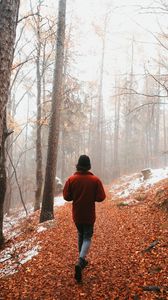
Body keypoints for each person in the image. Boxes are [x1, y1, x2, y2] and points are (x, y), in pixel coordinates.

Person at [63, 155, 106, 283]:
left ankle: (80, 259)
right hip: (89, 214)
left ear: (78, 165)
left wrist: (76, 195)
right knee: (87, 237)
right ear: (89, 165)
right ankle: (81, 261)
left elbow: (66, 197)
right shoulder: (95, 180)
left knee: (81, 234)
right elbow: (101, 197)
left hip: (77, 214)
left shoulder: (71, 179)